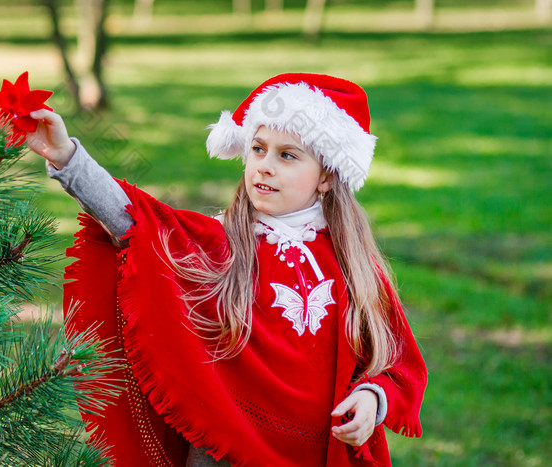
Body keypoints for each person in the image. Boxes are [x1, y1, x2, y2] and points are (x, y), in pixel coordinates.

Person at [27, 73, 427, 466]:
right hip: (226, 450)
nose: (264, 166)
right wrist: (67, 158)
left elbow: (400, 365)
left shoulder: (355, 266)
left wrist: (374, 399)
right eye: (257, 149)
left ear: (326, 175)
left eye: (287, 155)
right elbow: (138, 221)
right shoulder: (221, 241)